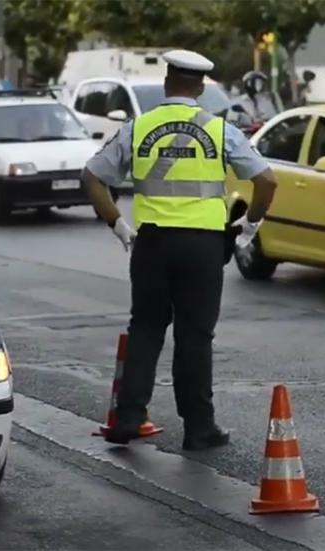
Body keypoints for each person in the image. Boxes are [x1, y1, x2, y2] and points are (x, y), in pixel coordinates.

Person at [82, 49, 278, 450]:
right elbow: (267, 181)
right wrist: (250, 225)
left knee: (146, 329)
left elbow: (92, 176)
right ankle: (198, 428)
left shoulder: (140, 127)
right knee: (195, 336)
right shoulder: (220, 130)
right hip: (203, 246)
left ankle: (128, 419)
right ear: (201, 87)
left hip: (152, 242)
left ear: (167, 83)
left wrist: (118, 225)